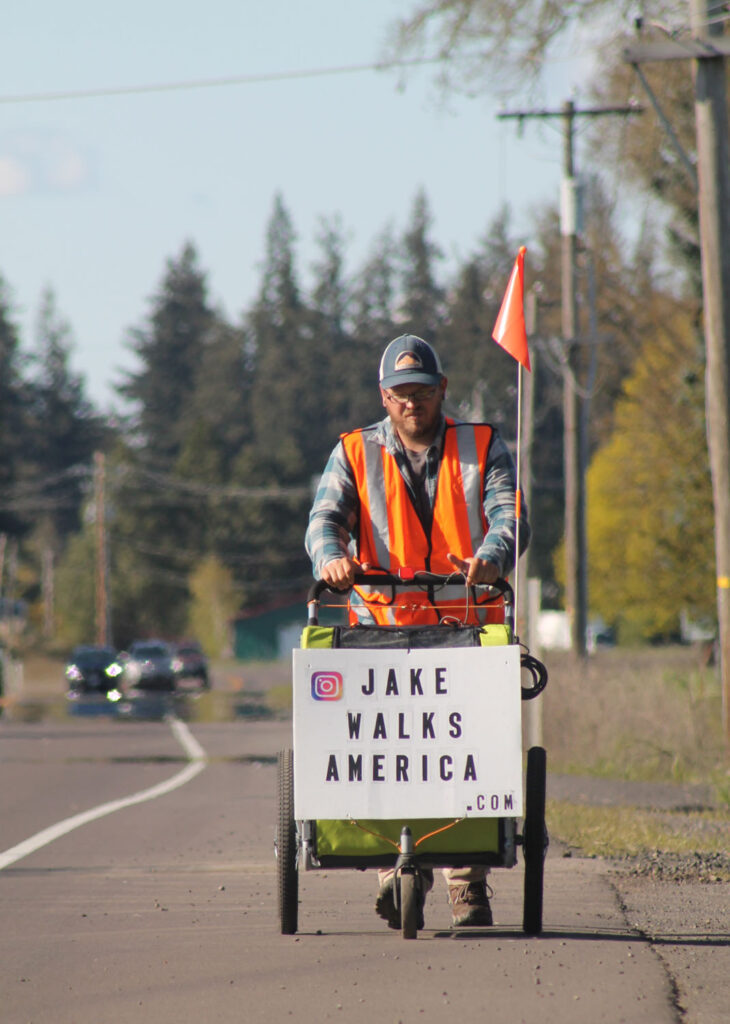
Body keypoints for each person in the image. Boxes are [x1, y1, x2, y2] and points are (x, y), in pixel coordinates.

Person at [305, 333, 530, 929]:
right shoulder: (353, 452)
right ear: (384, 397)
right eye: (401, 394)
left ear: (442, 391)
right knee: (388, 752)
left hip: (464, 627)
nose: (413, 404)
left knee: (462, 752)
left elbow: (509, 513)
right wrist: (331, 557)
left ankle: (466, 881)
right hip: (378, 630)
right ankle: (393, 865)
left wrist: (493, 554)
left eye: (423, 392)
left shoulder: (481, 445)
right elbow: (326, 518)